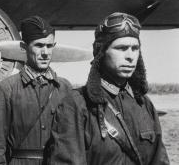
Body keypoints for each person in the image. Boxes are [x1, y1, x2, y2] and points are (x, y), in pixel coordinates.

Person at [50, 12, 169, 165]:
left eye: (135, 48)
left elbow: (160, 161)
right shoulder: (76, 105)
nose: (130, 56)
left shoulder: (144, 105)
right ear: (101, 52)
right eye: (121, 48)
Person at [0, 16, 73, 165]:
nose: (45, 52)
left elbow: (73, 141)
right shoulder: (6, 89)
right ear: (24, 47)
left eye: (50, 46)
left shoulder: (64, 88)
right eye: (39, 45)